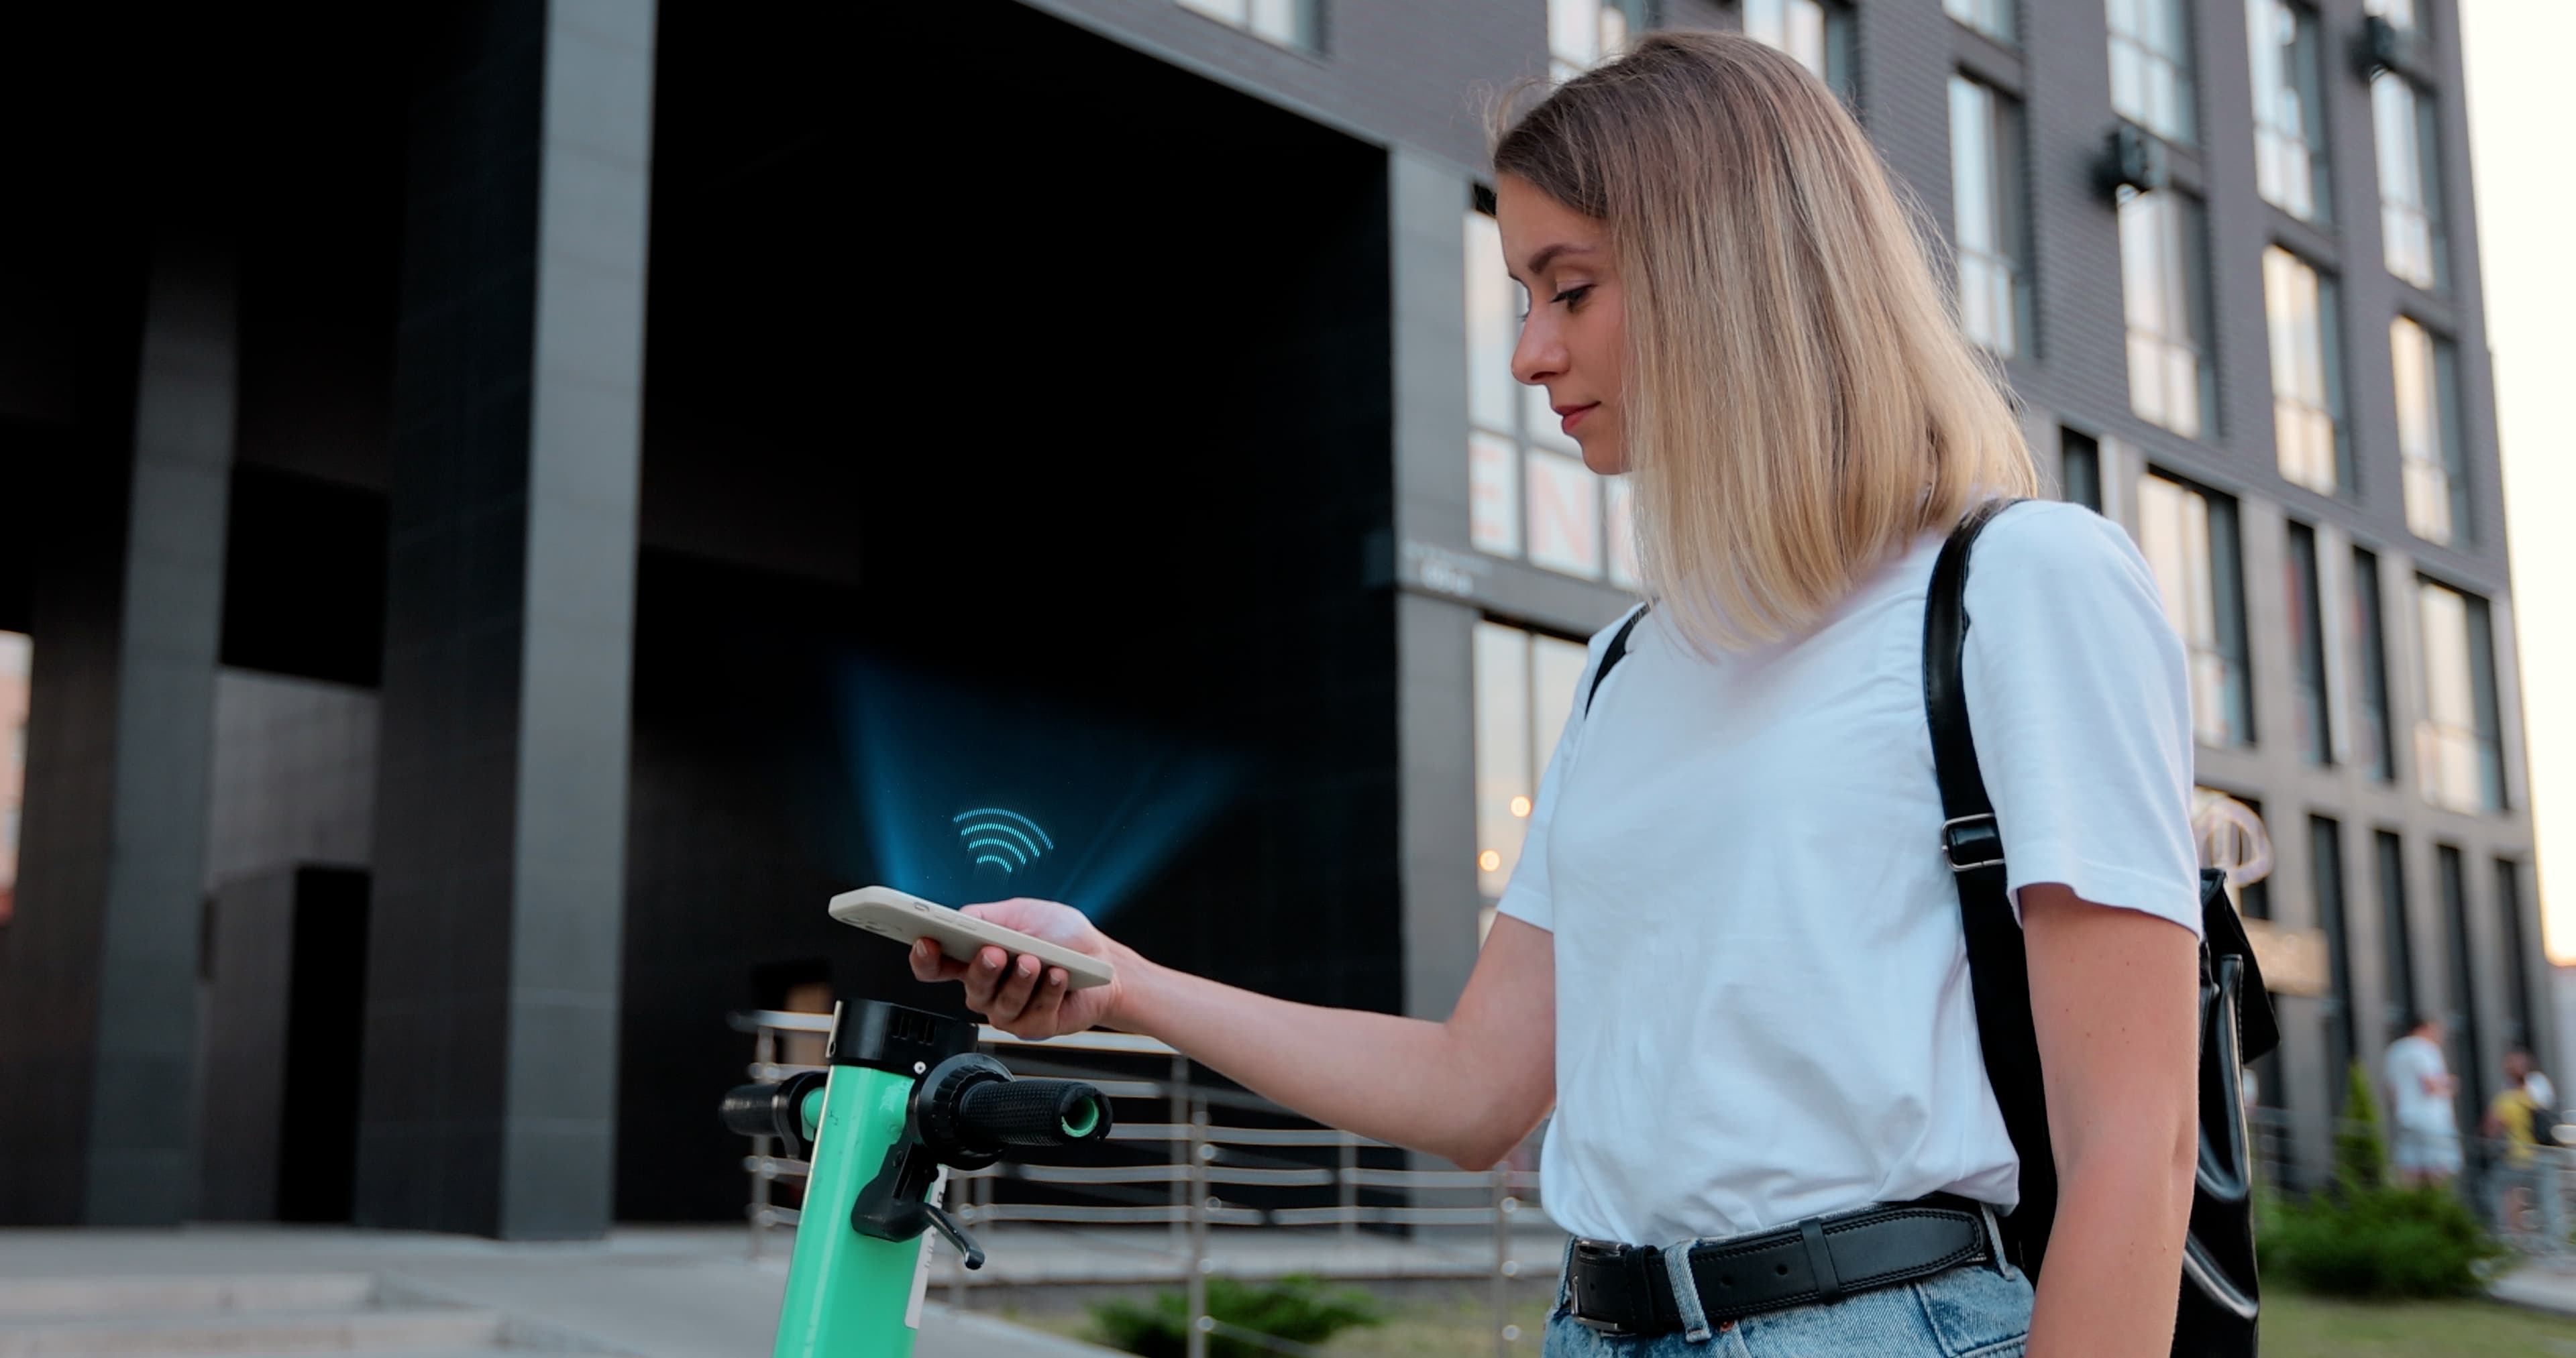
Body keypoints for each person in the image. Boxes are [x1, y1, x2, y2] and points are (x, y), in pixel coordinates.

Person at [912, 33, 2204, 1357]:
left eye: (1567, 289)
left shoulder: (2024, 582)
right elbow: (1475, 1091)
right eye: (1524, 295)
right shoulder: (1629, 664)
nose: (1529, 355)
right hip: (1594, 1325)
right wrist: (1122, 983)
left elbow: (2136, 1145)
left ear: (1731, 271)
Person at [2385, 1016, 2462, 1188]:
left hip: (2406, 1116)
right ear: (2424, 1028)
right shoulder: (2425, 1048)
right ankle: (2435, 1207)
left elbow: (2392, 1089)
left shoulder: (2396, 1050)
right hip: (2431, 1117)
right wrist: (2450, 1084)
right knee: (2440, 1166)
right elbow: (2430, 1084)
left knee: (2410, 1166)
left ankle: (2410, 1207)